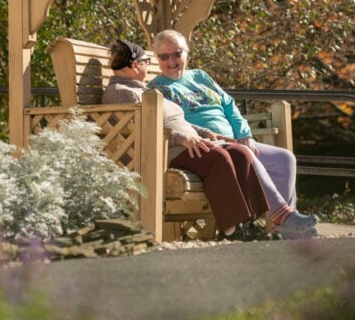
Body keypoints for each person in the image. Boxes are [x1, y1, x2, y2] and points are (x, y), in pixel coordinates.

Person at [148, 29, 319, 239]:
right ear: (157, 59)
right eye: (164, 56)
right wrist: (217, 138)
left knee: (285, 159)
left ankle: (281, 229)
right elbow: (177, 123)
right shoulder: (158, 89)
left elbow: (229, 105)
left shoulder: (200, 76)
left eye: (177, 54)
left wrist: (245, 133)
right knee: (244, 153)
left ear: (187, 53)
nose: (172, 61)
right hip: (207, 145)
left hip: (235, 141)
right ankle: (284, 217)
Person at [101, 39, 274, 242]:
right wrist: (181, 138)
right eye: (147, 60)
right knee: (217, 157)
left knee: (240, 152)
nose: (149, 65)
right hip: (162, 150)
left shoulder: (141, 89)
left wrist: (206, 133)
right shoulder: (121, 93)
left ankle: (250, 224)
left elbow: (177, 120)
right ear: (134, 65)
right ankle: (230, 230)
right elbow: (141, 129)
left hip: (185, 142)